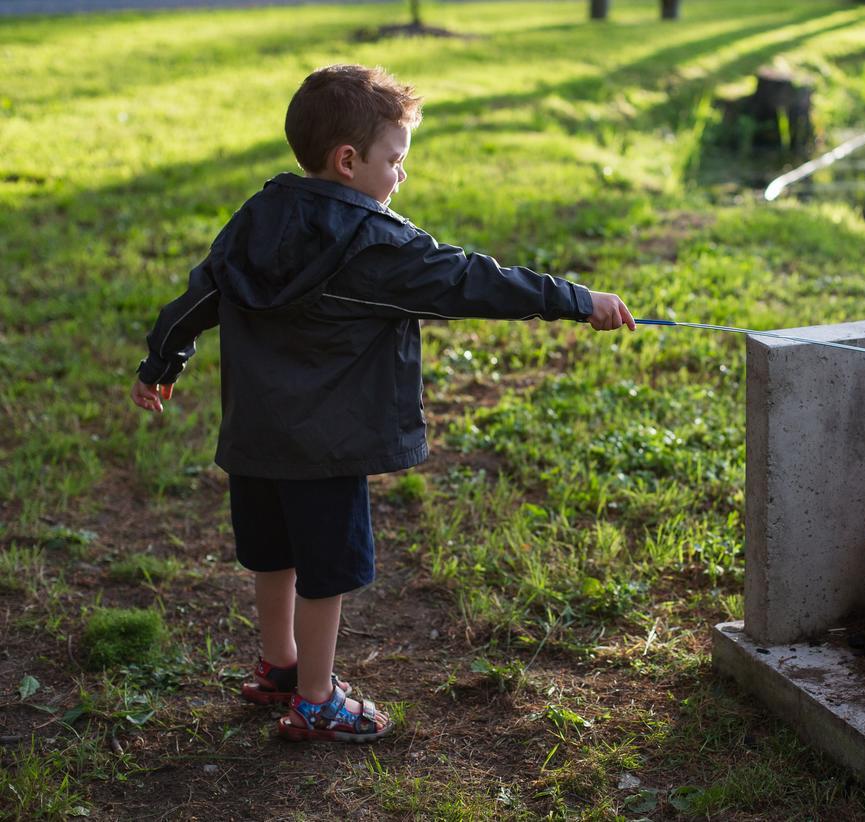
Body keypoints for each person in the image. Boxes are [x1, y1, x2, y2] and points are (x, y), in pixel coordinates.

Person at [129, 64, 634, 743]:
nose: (401, 176)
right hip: (327, 447)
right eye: (394, 160)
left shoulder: (260, 214)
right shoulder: (377, 247)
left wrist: (163, 360)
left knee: (272, 554)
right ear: (348, 162)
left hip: (255, 435)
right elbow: (472, 281)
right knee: (326, 570)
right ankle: (316, 700)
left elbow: (203, 292)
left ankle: (279, 664)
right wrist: (579, 300)